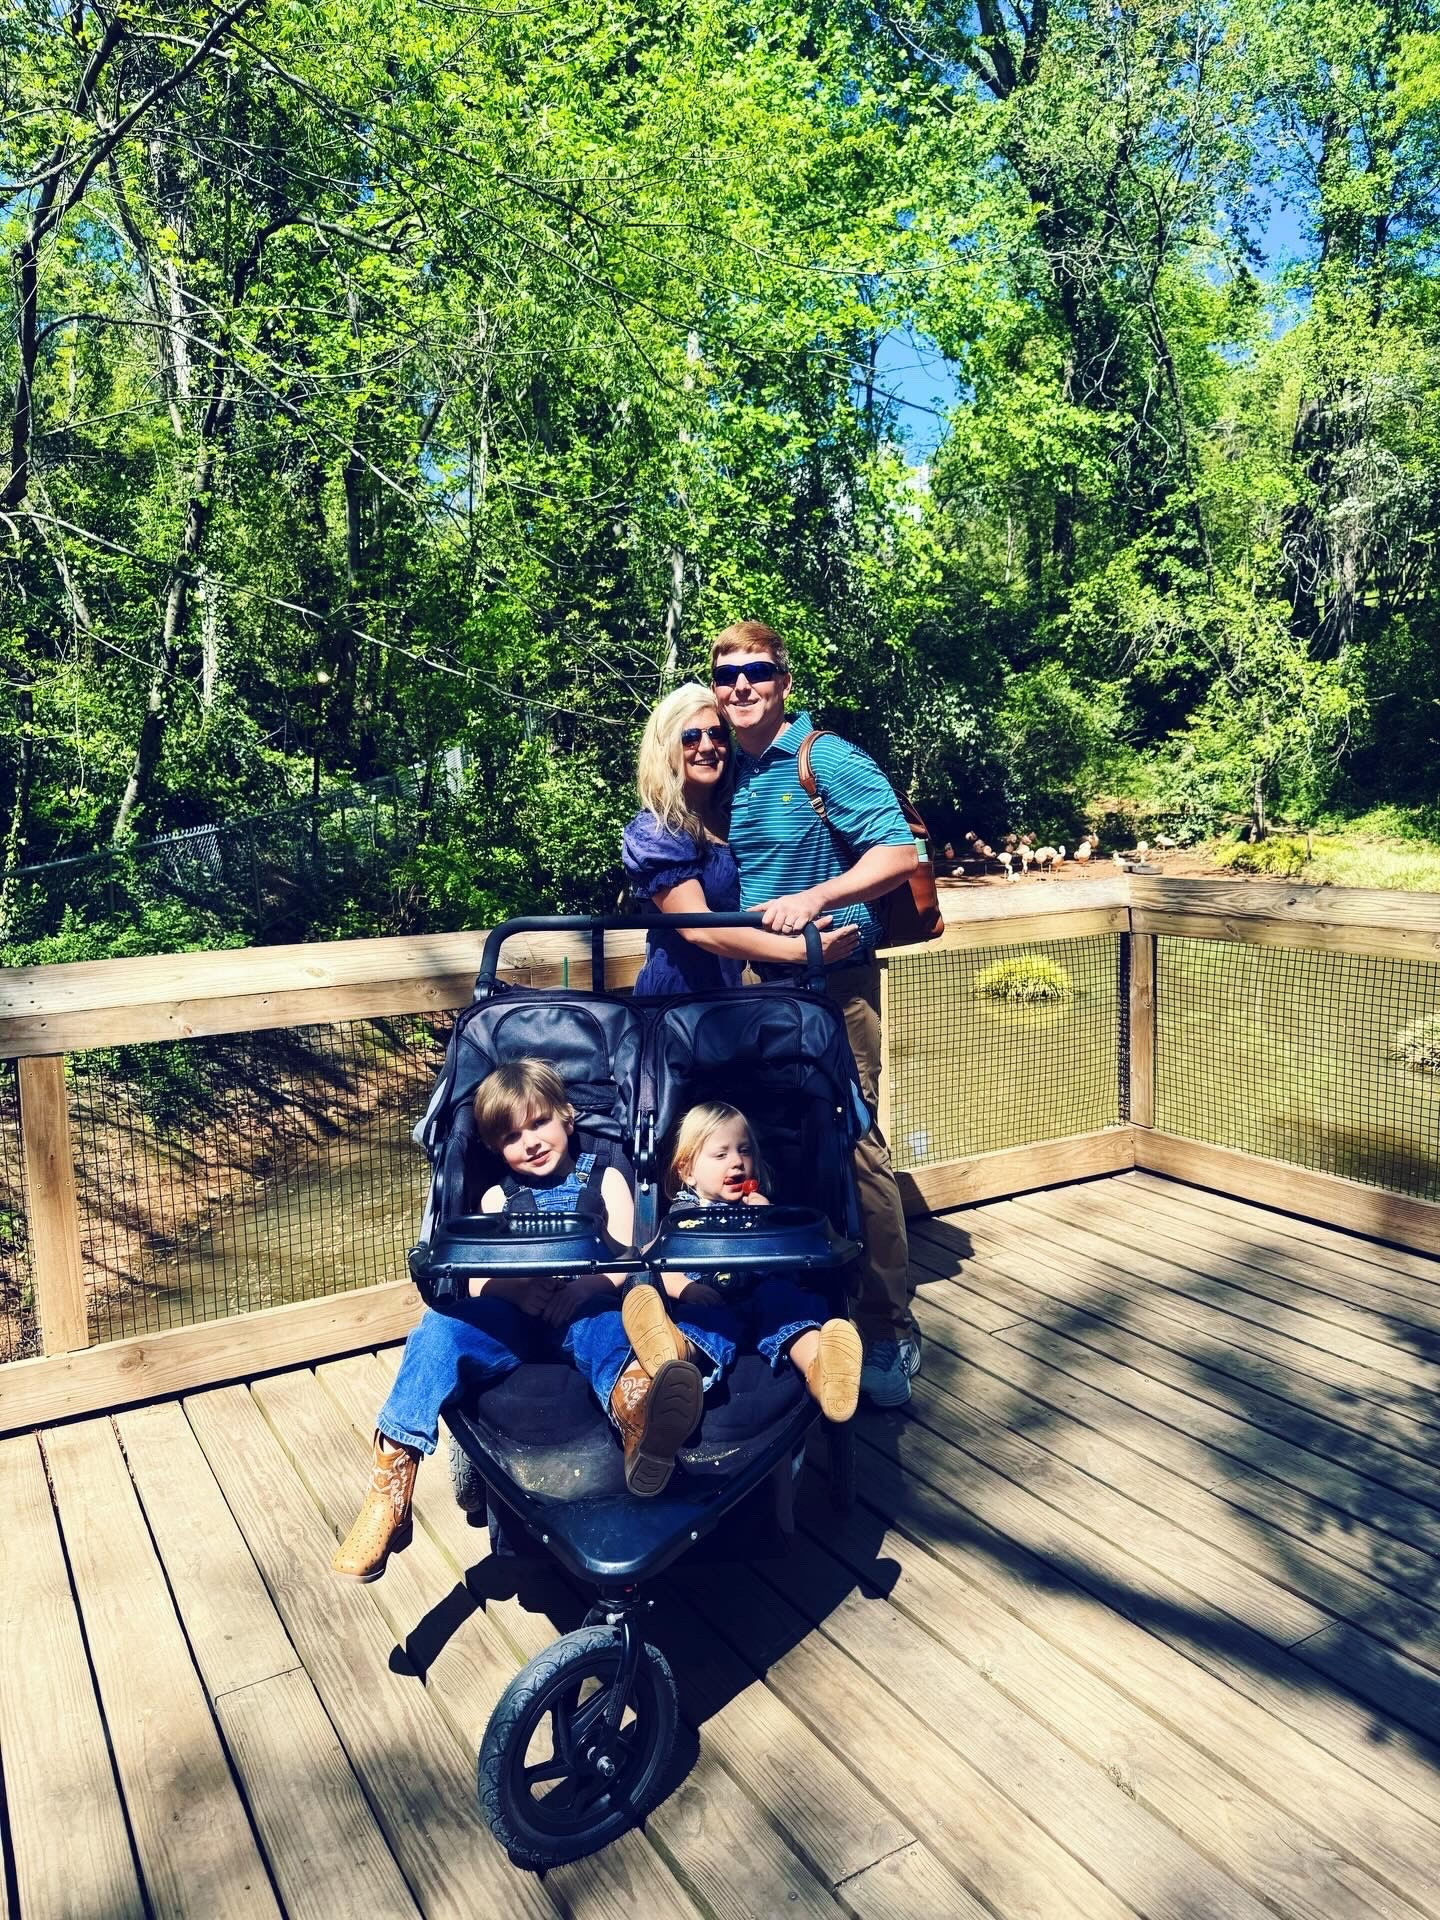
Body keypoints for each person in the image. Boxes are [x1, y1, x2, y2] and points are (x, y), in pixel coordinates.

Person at [332, 1060, 712, 1582]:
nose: (530, 1141)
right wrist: (515, 1289)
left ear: (567, 1117)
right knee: (438, 1329)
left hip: (582, 1308)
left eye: (539, 1124)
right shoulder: (495, 1198)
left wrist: (585, 1286)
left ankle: (639, 1425)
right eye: (512, 1136)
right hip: (514, 1320)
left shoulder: (607, 1179)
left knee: (606, 1327)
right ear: (495, 1148)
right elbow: (474, 1280)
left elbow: (626, 1259)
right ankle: (390, 1490)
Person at [709, 620, 921, 1407]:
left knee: (855, 1142)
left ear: (783, 681)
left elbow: (899, 852)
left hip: (835, 987)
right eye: (726, 675)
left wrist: (819, 900)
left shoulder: (820, 756)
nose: (741, 688)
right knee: (768, 1143)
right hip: (754, 990)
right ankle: (798, 1312)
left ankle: (889, 1326)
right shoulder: (723, 765)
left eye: (756, 672)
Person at [621, 1102, 862, 1421]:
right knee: (700, 1325)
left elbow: (788, 1261)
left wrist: (769, 1220)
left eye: (744, 1151)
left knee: (790, 1309)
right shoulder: (685, 1215)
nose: (736, 1162)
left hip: (763, 1296)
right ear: (687, 1171)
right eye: (721, 1155)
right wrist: (685, 1288)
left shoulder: (762, 1207)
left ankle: (824, 1369)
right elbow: (660, 1260)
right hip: (711, 1302)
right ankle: (672, 1354)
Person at [621, 683, 860, 992]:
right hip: (679, 1004)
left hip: (737, 998)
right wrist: (807, 952)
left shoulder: (734, 814)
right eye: (690, 737)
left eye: (717, 734)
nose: (706, 746)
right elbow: (699, 928)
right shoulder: (657, 831)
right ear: (666, 747)